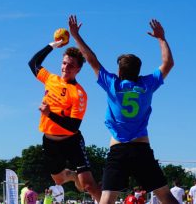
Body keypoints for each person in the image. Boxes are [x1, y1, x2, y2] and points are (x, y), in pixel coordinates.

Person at [67, 15, 176, 204]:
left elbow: (90, 59)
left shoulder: (112, 84)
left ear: (119, 72)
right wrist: (161, 38)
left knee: (107, 200)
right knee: (166, 196)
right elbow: (168, 63)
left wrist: (76, 35)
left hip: (118, 150)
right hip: (142, 148)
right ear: (138, 72)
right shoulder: (147, 84)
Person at [28, 18, 101, 201]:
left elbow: (73, 127)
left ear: (78, 70)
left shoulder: (79, 93)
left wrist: (49, 114)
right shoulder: (50, 79)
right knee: (59, 180)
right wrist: (53, 45)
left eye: (71, 65)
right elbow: (33, 63)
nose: (66, 67)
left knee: (89, 185)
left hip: (71, 141)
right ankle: (72, 175)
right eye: (64, 63)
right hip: (49, 141)